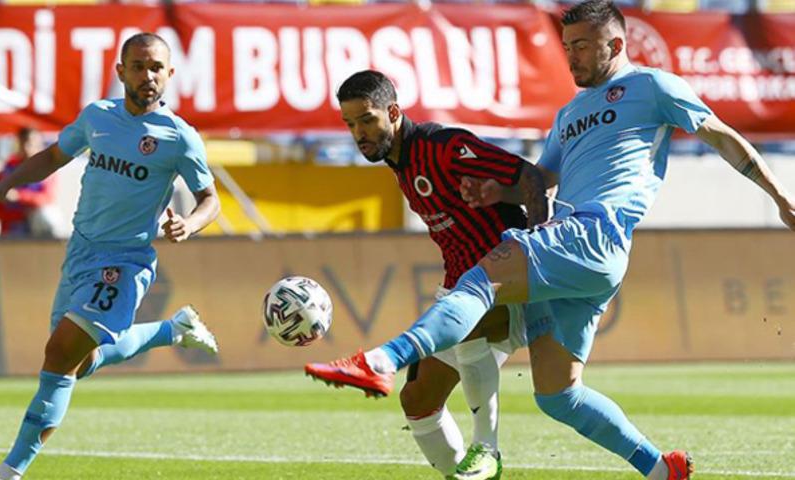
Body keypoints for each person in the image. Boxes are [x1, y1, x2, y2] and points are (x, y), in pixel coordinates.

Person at [306, 2, 795, 479]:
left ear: (617, 43)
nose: (572, 56)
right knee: (558, 395)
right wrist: (497, 190)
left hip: (593, 231)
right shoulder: (569, 114)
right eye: (567, 47)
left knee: (480, 280)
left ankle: (381, 360)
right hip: (579, 251)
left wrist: (779, 196)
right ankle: (659, 468)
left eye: (582, 46)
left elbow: (721, 135)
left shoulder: (652, 85)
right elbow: (541, 177)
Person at [0, 32, 221, 480]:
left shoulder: (179, 137)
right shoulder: (97, 118)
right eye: (139, 66)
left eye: (157, 68)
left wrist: (191, 223)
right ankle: (173, 329)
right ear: (121, 71)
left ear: (168, 74)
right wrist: (6, 184)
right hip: (80, 252)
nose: (148, 75)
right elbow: (53, 155)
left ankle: (10, 471)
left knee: (58, 356)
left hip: (125, 262)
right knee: (81, 363)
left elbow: (211, 199)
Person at [314, 70, 548, 479]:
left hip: (503, 281)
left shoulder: (445, 147)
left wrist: (534, 244)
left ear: (393, 111)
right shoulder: (397, 161)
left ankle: (486, 450)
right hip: (460, 284)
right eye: (350, 124)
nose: (359, 133)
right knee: (418, 400)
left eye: (367, 120)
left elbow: (531, 178)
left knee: (468, 328)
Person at [0, 127, 62, 238]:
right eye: (23, 143)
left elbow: (47, 199)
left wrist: (19, 196)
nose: (27, 148)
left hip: (37, 228)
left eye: (31, 144)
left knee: (47, 214)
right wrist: (19, 215)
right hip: (13, 229)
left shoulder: (47, 169)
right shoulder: (7, 170)